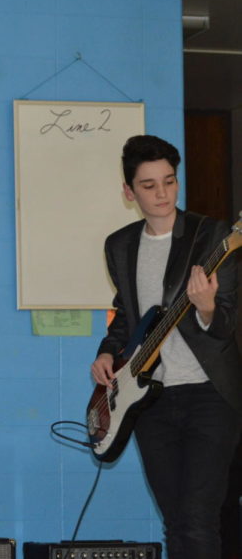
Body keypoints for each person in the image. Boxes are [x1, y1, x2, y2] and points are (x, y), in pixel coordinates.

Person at [90, 135, 242, 558]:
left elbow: (225, 323)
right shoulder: (119, 245)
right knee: (176, 520)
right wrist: (107, 352)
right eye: (149, 185)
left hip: (210, 394)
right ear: (128, 191)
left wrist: (207, 307)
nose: (162, 194)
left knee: (198, 517)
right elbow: (127, 314)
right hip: (149, 400)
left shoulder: (213, 236)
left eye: (170, 182)